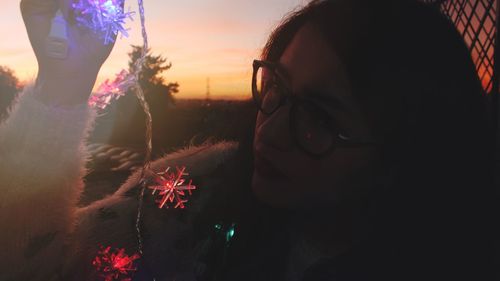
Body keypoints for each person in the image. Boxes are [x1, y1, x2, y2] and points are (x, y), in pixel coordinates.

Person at [0, 0, 495, 280]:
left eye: (319, 118)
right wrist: (63, 87)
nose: (270, 129)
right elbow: (32, 263)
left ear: (401, 156)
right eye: (276, 86)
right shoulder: (193, 196)